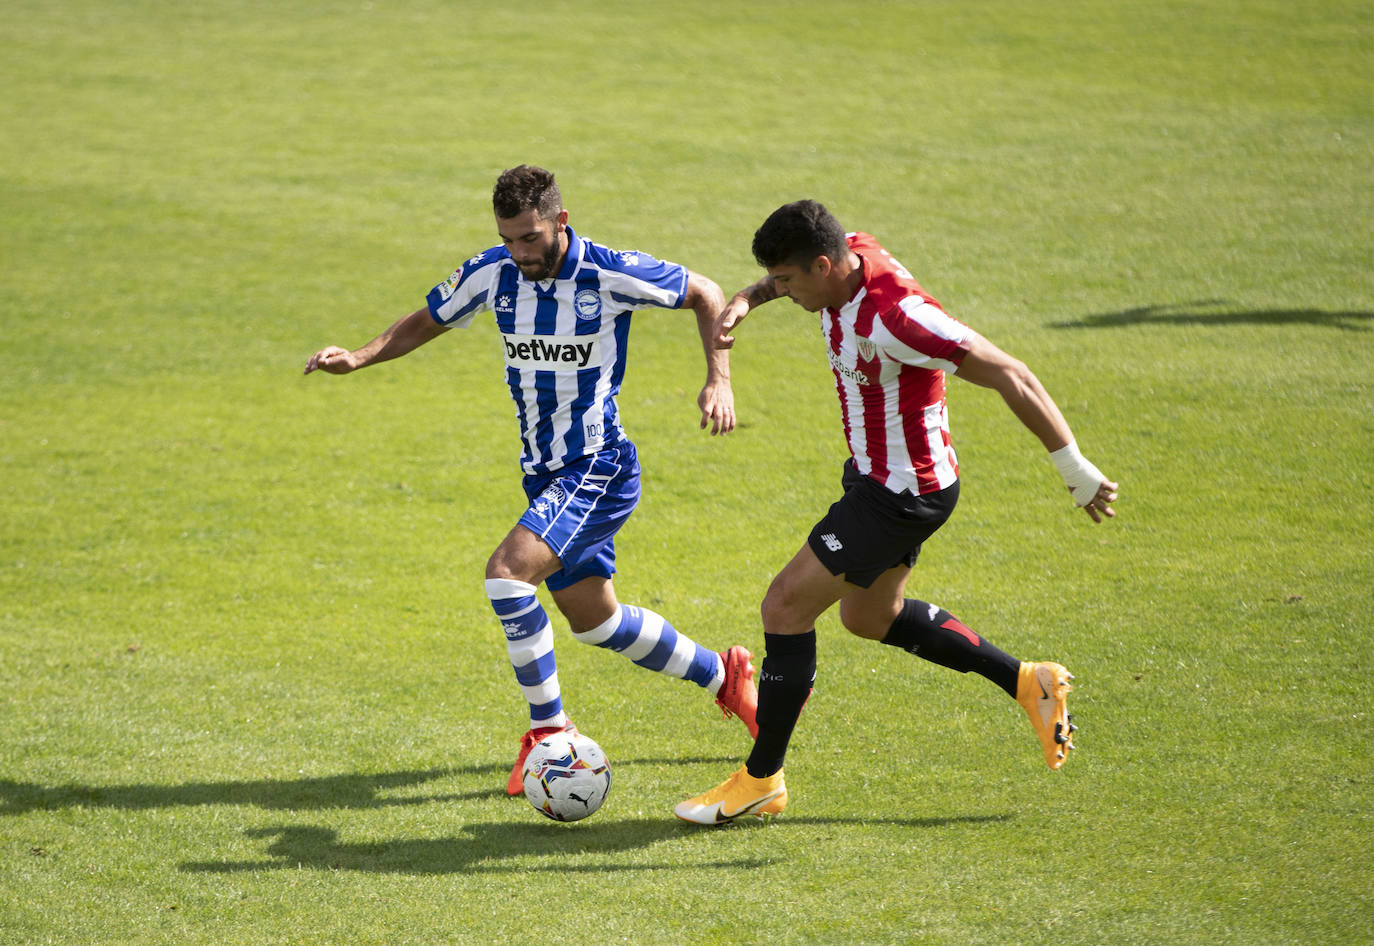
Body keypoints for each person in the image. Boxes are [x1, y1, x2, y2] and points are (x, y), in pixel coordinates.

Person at [305, 165, 759, 796]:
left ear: (560, 223)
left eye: (530, 238)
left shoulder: (608, 272)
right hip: (544, 476)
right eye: (509, 238)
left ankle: (548, 732)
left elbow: (705, 292)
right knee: (595, 623)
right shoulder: (493, 273)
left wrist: (720, 378)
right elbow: (427, 319)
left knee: (506, 574)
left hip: (596, 467)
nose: (520, 253)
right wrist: (359, 356)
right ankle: (724, 675)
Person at [674, 200, 1118, 825]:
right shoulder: (847, 252)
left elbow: (1012, 375)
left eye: (788, 282)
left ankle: (761, 778)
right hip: (879, 478)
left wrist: (1075, 470)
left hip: (901, 493)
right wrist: (751, 299)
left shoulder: (899, 318)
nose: (785, 293)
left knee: (784, 605)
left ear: (825, 265)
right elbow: (792, 276)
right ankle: (1029, 683)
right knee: (868, 617)